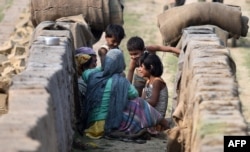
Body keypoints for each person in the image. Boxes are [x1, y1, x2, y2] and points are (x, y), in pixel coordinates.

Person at [82, 48, 169, 143]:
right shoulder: (121, 81)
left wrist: (104, 67)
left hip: (91, 124)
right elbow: (135, 95)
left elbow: (85, 73)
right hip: (108, 123)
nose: (139, 69)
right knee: (135, 102)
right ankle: (165, 126)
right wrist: (130, 71)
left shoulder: (93, 76)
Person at [139, 52, 169, 135]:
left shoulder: (157, 82)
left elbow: (153, 102)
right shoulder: (148, 81)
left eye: (141, 66)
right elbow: (143, 98)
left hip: (156, 116)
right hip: (150, 113)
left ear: (151, 67)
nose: (139, 69)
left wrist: (138, 102)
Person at [74, 47, 97, 133]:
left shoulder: (85, 81)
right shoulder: (81, 84)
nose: (95, 65)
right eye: (93, 62)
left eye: (96, 61)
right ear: (83, 64)